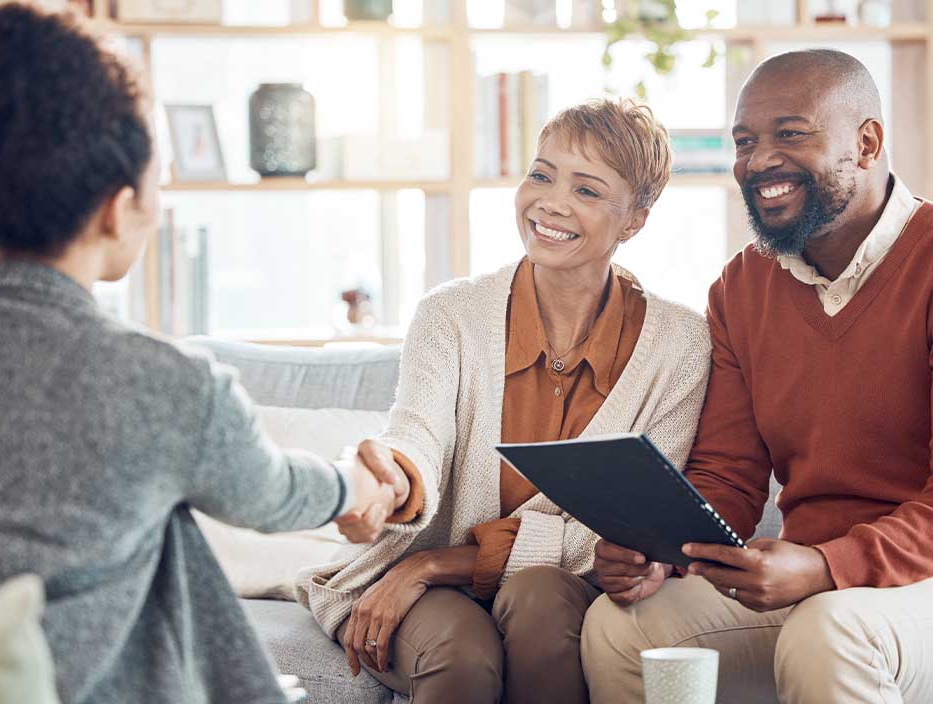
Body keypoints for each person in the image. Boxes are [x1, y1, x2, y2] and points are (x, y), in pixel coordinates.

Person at [0, 5, 412, 703]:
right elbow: (273, 494)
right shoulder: (161, 383)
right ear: (117, 209)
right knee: (170, 524)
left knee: (162, 516)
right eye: (159, 186)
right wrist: (358, 486)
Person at [581, 49, 933, 704]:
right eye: (745, 141)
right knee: (621, 628)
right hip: (813, 583)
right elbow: (728, 477)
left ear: (866, 142)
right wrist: (660, 552)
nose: (759, 161)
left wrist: (826, 566)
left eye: (790, 133)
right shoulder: (741, 287)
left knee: (829, 630)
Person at [293, 98, 712, 703]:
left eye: (587, 190)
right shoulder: (451, 315)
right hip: (431, 593)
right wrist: (391, 483)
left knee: (539, 599)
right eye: (541, 174)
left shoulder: (680, 345)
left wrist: (437, 564)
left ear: (636, 219)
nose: (551, 202)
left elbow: (625, 532)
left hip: (558, 586)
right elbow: (418, 436)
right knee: (461, 656)